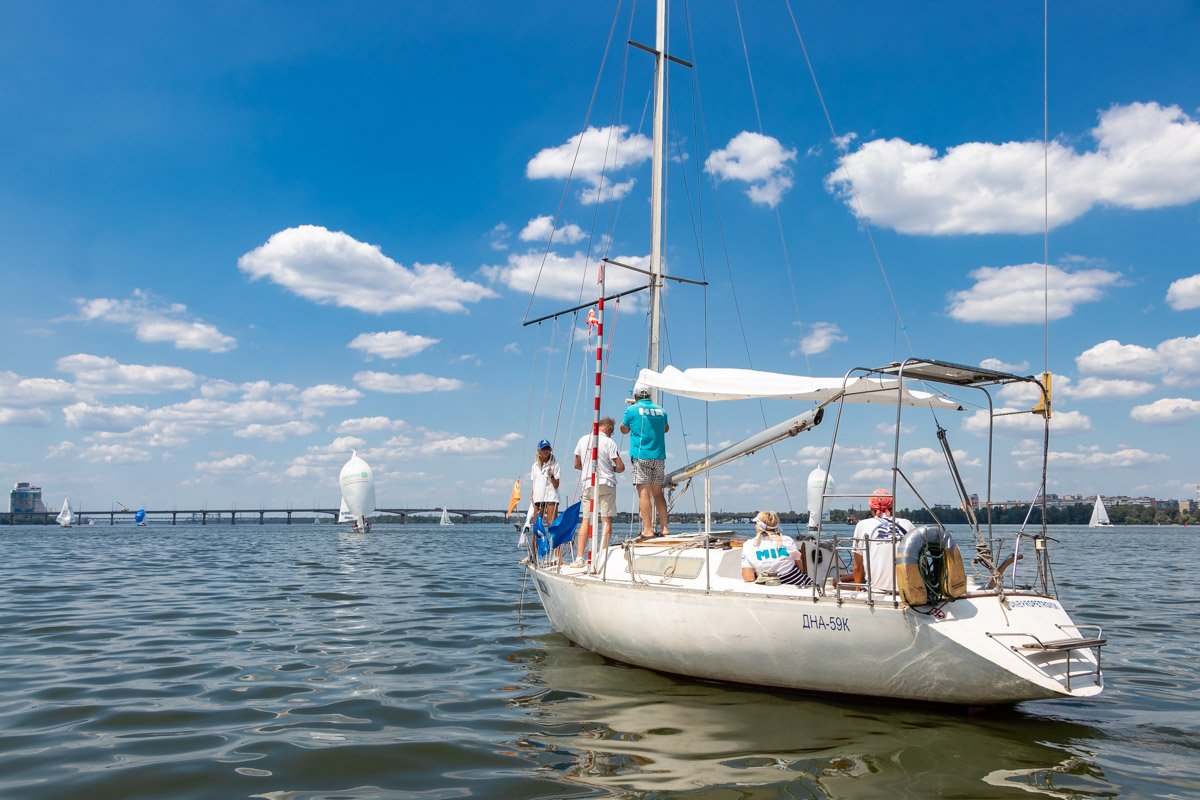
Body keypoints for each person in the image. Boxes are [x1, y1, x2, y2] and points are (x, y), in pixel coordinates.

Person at [571, 417, 625, 568]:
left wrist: (591, 467)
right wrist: (610, 468)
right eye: (611, 432)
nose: (611, 434)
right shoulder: (609, 442)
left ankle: (580, 557)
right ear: (607, 428)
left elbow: (576, 464)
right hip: (606, 482)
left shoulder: (583, 439)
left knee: (586, 520)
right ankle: (601, 555)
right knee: (606, 519)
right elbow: (620, 467)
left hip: (588, 482)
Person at [621, 383, 669, 538]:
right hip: (659, 455)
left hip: (641, 455)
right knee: (658, 493)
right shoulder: (661, 410)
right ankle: (665, 528)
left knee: (644, 494)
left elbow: (624, 428)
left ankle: (647, 529)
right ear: (649, 395)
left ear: (635, 396)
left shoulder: (631, 410)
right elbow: (666, 428)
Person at [846, 488, 915, 593]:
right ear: (892, 507)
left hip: (875, 591)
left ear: (871, 508)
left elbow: (857, 567)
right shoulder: (907, 524)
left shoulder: (863, 525)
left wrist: (857, 590)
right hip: (906, 591)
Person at [740, 511, 812, 587]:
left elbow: (749, 578)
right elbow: (800, 566)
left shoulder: (749, 545)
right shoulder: (787, 540)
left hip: (770, 587)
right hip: (799, 583)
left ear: (758, 526)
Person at [530, 439, 561, 530]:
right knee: (537, 525)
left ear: (550, 450)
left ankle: (555, 544)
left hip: (551, 497)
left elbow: (556, 485)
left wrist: (551, 476)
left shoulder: (555, 465)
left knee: (551, 524)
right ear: (539, 450)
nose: (546, 451)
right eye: (544, 449)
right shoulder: (535, 466)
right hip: (538, 497)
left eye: (547, 448)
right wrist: (532, 496)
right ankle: (535, 545)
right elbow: (534, 483)